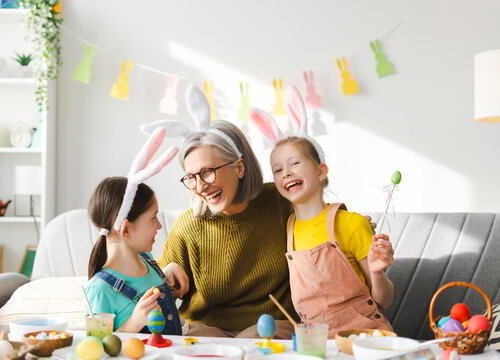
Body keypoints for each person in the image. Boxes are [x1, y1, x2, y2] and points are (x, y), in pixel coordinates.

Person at [147, 85, 378, 339]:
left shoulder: (279, 202)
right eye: (191, 177)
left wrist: (348, 227)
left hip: (269, 328)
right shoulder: (188, 226)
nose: (200, 186)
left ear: (240, 167)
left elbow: (320, 217)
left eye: (207, 171)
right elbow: (151, 284)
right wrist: (166, 273)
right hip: (205, 331)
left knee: (253, 342)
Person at [250, 85, 394, 338]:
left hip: (363, 337)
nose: (286, 173)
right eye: (277, 170)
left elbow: (384, 300)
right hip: (315, 342)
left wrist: (378, 272)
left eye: (295, 163)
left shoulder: (350, 223)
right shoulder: (287, 227)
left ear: (320, 171)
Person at [84, 128, 187, 334]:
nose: (159, 225)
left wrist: (167, 274)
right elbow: (97, 346)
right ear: (126, 230)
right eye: (153, 218)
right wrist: (134, 322)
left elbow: (149, 290)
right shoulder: (99, 290)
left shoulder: (147, 260)